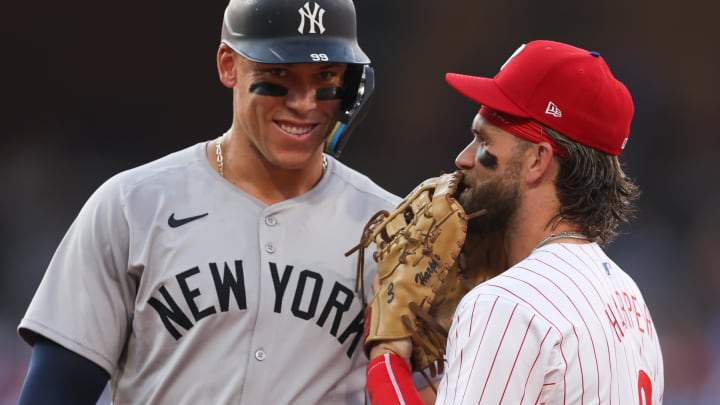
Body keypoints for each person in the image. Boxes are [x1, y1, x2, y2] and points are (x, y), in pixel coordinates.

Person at [16, 1, 437, 403]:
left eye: (325, 78)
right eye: (279, 73)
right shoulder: (132, 206)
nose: (305, 103)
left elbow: (439, 390)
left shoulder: (397, 231)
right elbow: (56, 391)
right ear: (228, 65)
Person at [365, 40, 665, 404]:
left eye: (482, 139)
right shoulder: (628, 297)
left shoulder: (507, 304)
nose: (463, 159)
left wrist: (387, 359)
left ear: (538, 160)